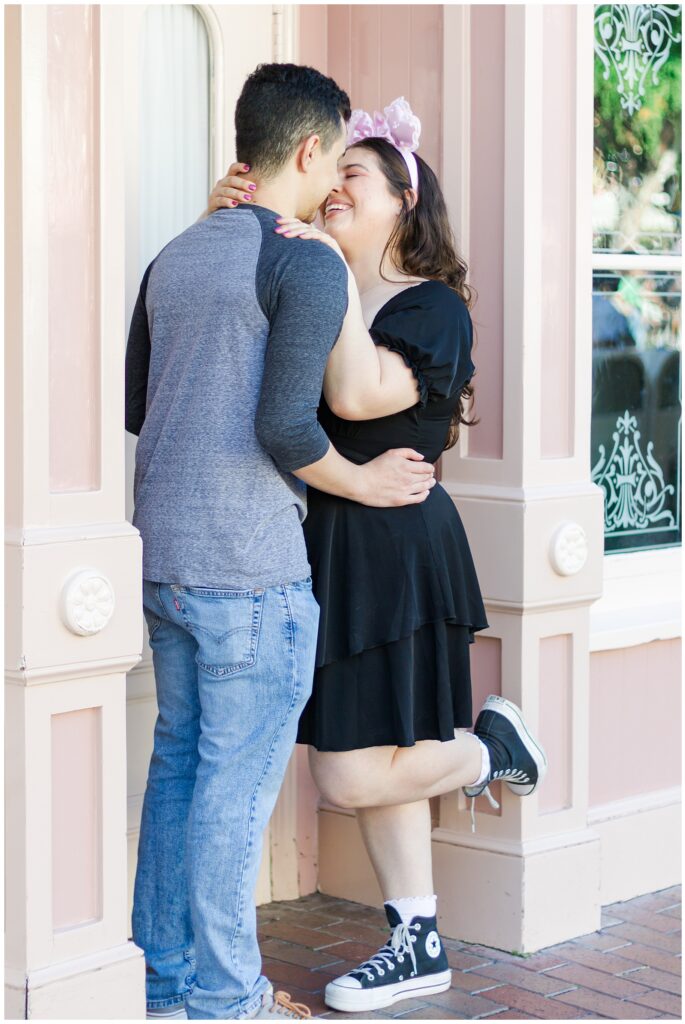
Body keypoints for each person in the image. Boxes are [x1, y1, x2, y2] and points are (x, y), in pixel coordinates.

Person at [205, 96, 548, 1015]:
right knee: (387, 748)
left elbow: (355, 398)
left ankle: (487, 750)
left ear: (404, 196)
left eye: (353, 175)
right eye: (332, 175)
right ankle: (418, 939)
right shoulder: (334, 291)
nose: (334, 191)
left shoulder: (431, 309)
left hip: (398, 549)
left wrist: (317, 254)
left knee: (349, 769)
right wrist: (231, 220)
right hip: (334, 544)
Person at [125, 67, 438, 1022]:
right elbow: (286, 429)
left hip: (164, 561)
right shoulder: (304, 262)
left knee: (179, 773)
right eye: (334, 159)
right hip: (250, 571)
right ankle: (232, 1000)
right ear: (307, 152)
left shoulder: (175, 253)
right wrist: (366, 480)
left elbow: (140, 406)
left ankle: (166, 988)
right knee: (231, 792)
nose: (337, 182)